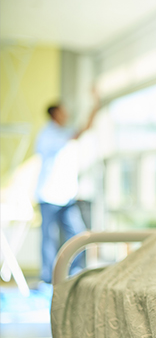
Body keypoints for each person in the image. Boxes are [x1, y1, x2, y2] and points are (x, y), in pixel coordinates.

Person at [36, 93, 99, 285]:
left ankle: (75, 274)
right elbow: (78, 133)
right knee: (49, 238)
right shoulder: (47, 135)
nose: (67, 114)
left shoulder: (65, 132)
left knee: (77, 234)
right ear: (55, 114)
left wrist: (95, 105)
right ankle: (47, 280)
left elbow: (84, 128)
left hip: (67, 196)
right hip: (49, 195)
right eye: (63, 112)